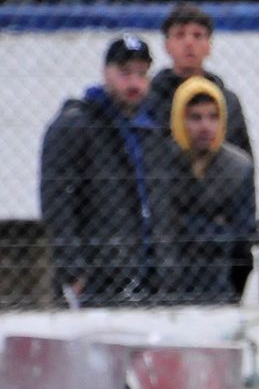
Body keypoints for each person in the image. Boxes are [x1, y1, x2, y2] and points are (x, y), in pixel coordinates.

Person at [39, 36, 174, 308]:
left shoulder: (152, 130)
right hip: (99, 280)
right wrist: (74, 271)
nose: (135, 83)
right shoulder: (76, 126)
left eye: (141, 74)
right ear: (105, 73)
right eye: (125, 73)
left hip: (152, 279)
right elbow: (57, 202)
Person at [160, 77, 255, 303]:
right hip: (170, 287)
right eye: (195, 117)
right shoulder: (161, 163)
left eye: (213, 116)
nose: (205, 126)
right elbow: (163, 228)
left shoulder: (238, 167)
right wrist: (215, 227)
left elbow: (242, 237)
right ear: (179, 119)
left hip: (221, 286)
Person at [145, 3, 254, 164]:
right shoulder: (150, 99)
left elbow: (242, 158)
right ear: (167, 45)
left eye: (197, 35)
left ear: (209, 45)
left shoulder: (228, 100)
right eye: (180, 35)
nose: (189, 43)